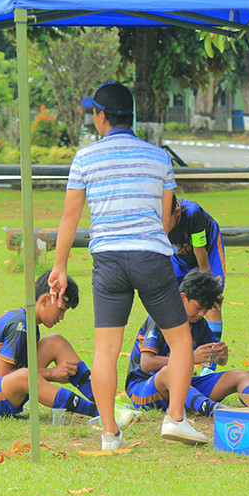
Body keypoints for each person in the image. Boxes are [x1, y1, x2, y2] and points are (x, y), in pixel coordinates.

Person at [49, 81, 204, 449]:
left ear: (101, 117)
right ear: (129, 117)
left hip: (108, 261)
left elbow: (69, 219)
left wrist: (60, 267)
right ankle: (176, 419)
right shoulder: (159, 157)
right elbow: (167, 220)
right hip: (151, 257)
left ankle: (109, 434)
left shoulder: (84, 158)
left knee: (106, 350)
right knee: (181, 342)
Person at [126, 270, 249, 416]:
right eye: (198, 308)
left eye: (205, 310)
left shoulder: (199, 323)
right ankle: (215, 410)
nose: (201, 314)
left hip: (184, 385)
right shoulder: (161, 318)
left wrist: (220, 355)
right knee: (169, 372)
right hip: (143, 388)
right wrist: (191, 357)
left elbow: (216, 359)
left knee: (241, 375)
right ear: (183, 298)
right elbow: (146, 362)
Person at [0, 272, 97, 419]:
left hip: (1, 390)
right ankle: (97, 412)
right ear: (44, 300)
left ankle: (104, 401)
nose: (62, 317)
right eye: (61, 310)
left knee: (55, 342)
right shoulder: (20, 325)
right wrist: (51, 373)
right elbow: (5, 376)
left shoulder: (27, 321)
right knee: (24, 376)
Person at [167, 197, 226, 343]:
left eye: (166, 220)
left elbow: (200, 250)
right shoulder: (154, 215)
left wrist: (207, 283)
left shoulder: (193, 213)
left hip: (207, 250)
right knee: (172, 297)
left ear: (177, 211)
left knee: (212, 299)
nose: (163, 225)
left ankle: (210, 357)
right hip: (178, 254)